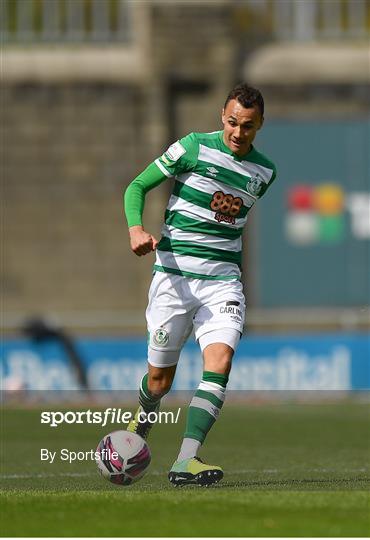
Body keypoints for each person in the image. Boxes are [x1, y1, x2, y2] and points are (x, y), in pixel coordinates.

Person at [124, 83, 277, 487]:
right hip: (173, 279)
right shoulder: (192, 147)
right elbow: (136, 186)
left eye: (247, 125)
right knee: (159, 382)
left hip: (222, 283)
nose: (238, 133)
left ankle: (185, 461)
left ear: (260, 124)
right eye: (232, 122)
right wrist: (137, 229)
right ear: (221, 117)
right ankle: (137, 431)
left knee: (220, 360)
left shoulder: (265, 172)